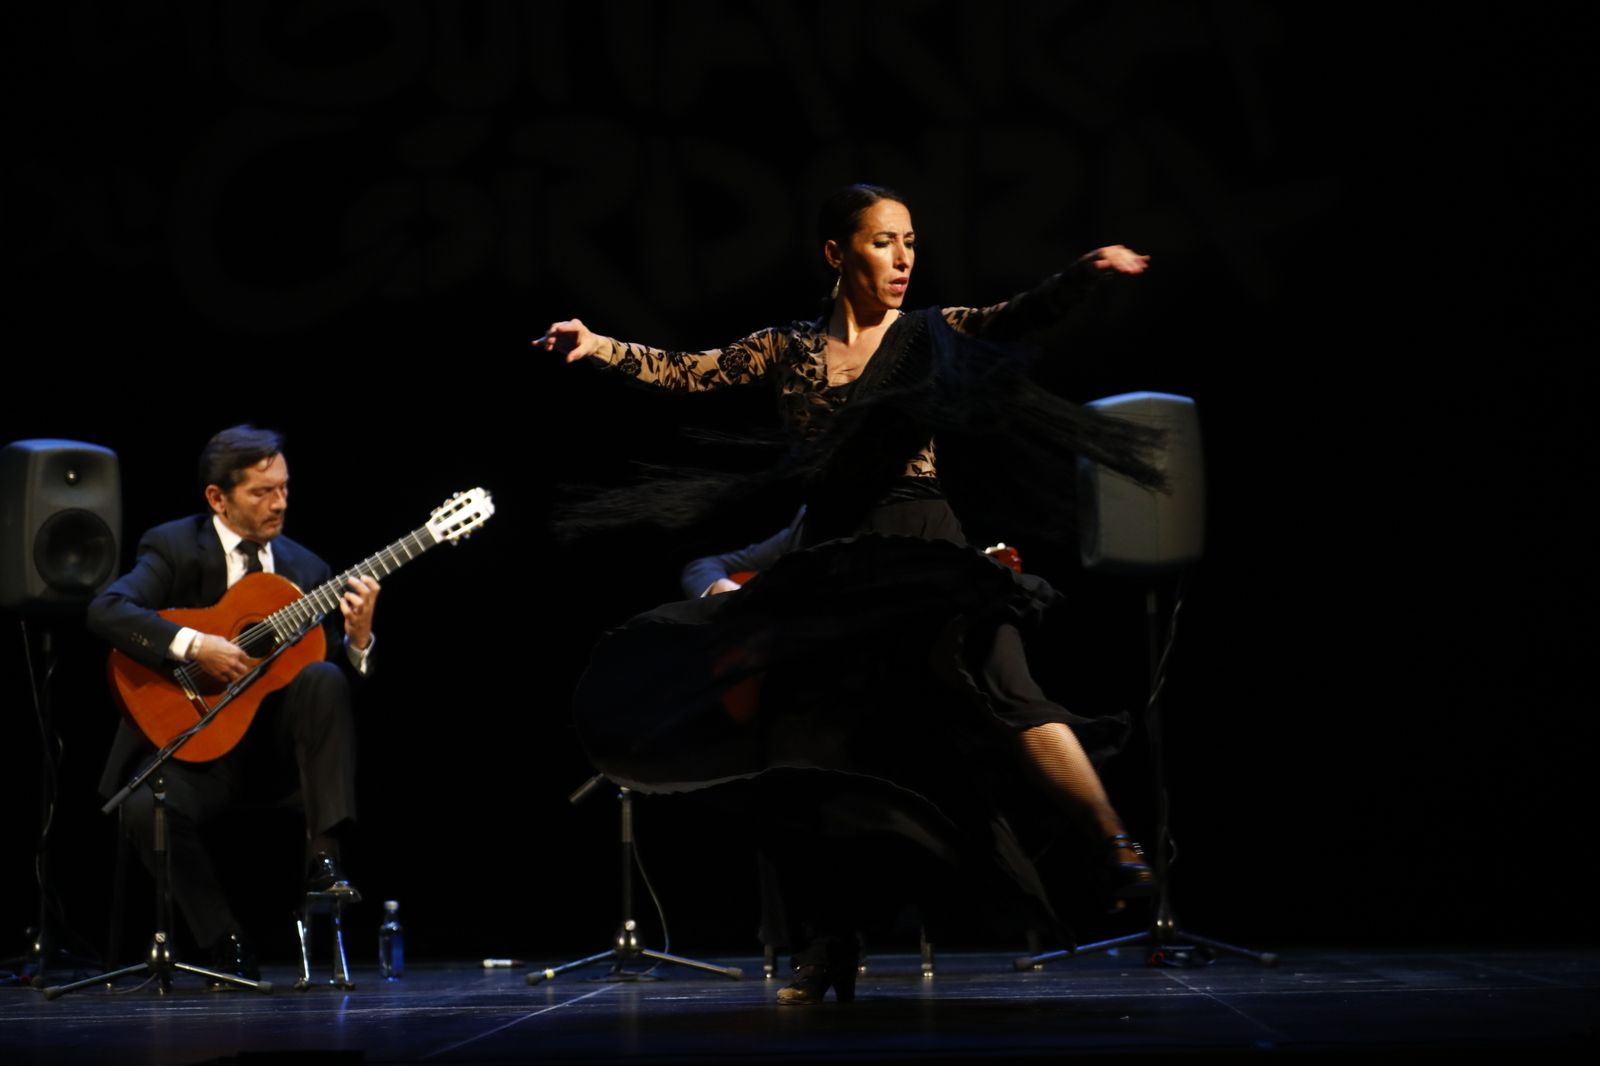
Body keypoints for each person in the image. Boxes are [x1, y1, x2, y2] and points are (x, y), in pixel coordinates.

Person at [538, 184, 1160, 1003]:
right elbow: (690, 372)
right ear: (837, 254)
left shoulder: (931, 333)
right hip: (835, 557)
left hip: (925, 540)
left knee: (1011, 688)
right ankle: (831, 943)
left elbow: (1018, 314)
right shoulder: (788, 347)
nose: (903, 260)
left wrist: (1083, 273)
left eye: (910, 243)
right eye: (881, 243)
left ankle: (1117, 850)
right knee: (808, 749)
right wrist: (601, 344)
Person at [88, 425, 379, 983]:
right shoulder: (172, 546)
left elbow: (334, 696)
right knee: (142, 808)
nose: (280, 503)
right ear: (217, 498)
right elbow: (107, 610)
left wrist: (360, 642)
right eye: (261, 492)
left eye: (285, 488)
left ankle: (324, 862)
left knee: (322, 674)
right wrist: (196, 644)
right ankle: (226, 943)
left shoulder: (307, 571)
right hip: (202, 750)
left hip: (278, 759)